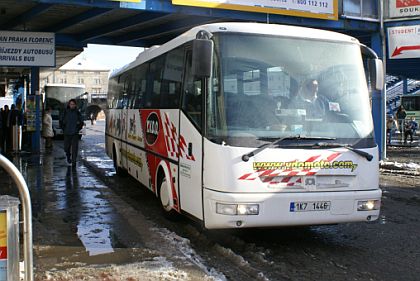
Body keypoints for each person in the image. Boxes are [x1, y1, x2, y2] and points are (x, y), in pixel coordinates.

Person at [60, 99, 84, 167]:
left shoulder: (77, 112)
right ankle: (68, 156)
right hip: (67, 133)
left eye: (73, 104)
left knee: (74, 148)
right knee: (66, 148)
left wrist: (78, 128)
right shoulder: (65, 112)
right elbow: (61, 121)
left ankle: (74, 162)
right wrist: (63, 128)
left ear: (75, 105)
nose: (72, 105)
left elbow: (81, 122)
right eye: (71, 104)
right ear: (69, 105)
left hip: (74, 133)